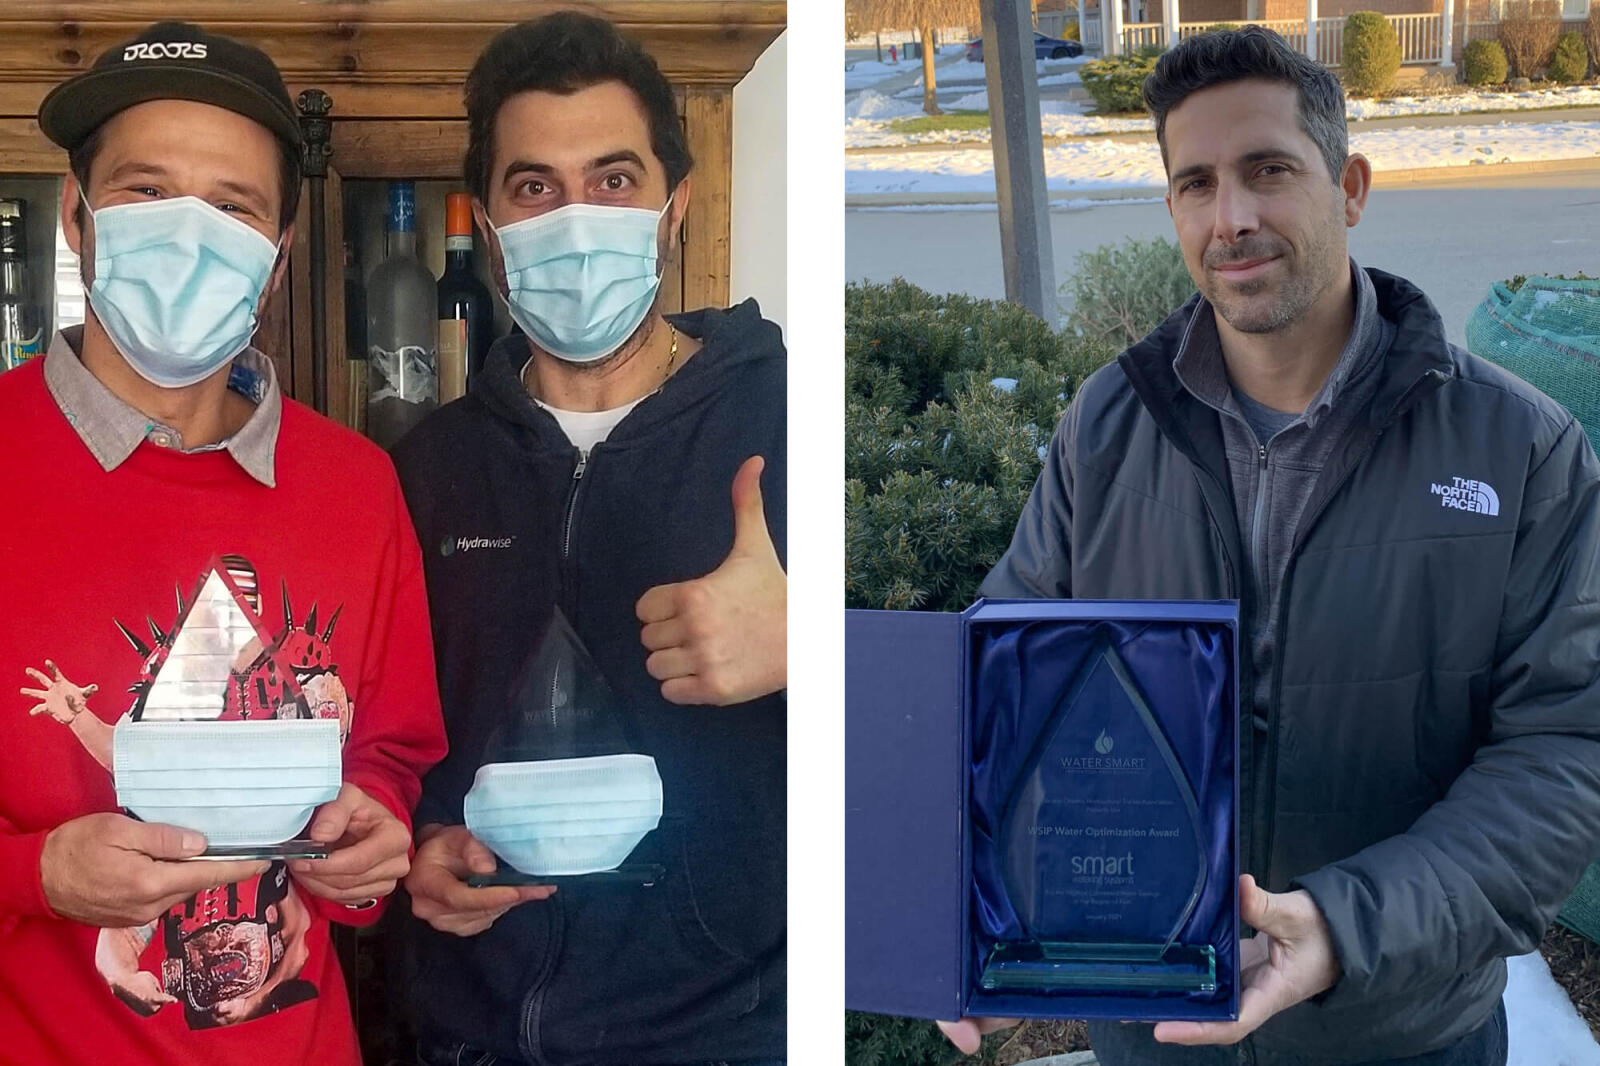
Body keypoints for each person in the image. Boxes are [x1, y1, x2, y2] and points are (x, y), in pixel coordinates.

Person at [941, 26, 1600, 1066]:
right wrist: (972, 910)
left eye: (1267, 171)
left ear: (1347, 186)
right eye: (1195, 184)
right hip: (1155, 1025)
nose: (1231, 217)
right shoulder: (1108, 425)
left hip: (1401, 1028)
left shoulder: (1519, 448)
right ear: (1171, 209)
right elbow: (1008, 684)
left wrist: (1345, 926)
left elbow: (1564, 752)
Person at [0, 21, 447, 1064]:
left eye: (233, 206)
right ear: (78, 216)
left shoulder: (358, 485)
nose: (187, 231)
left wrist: (373, 822)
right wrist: (35, 877)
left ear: (278, 256)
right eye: (146, 190)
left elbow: (392, 748)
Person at [390, 12, 787, 1066]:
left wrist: (811, 649)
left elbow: (943, 711)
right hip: (467, 1032)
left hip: (722, 1032)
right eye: (536, 187)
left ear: (674, 206)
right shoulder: (426, 468)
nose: (575, 217)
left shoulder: (791, 416)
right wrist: (422, 851)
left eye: (613, 180)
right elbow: (397, 738)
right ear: (489, 217)